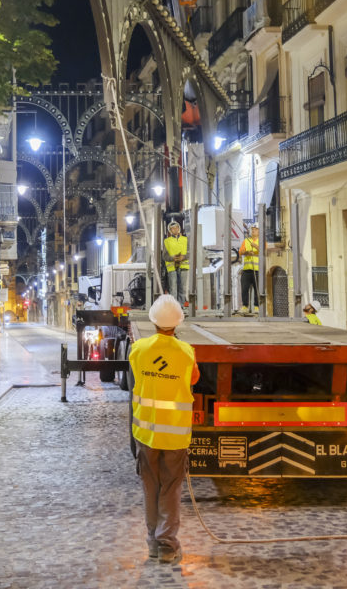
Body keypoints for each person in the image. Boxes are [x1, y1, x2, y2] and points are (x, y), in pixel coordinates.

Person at [129, 294, 199, 564]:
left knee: (151, 488)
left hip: (146, 434)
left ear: (153, 320)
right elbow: (193, 378)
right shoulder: (187, 352)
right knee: (170, 489)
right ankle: (168, 546)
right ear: (178, 322)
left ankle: (152, 543)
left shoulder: (139, 349)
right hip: (176, 436)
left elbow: (136, 371)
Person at [162, 220, 190, 305]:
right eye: (172, 228)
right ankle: (174, 306)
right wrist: (172, 258)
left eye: (176, 227)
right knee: (173, 288)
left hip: (183, 266)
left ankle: (180, 306)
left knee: (183, 288)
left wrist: (183, 257)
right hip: (172, 267)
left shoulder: (185, 239)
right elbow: (164, 256)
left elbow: (190, 252)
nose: (175, 229)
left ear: (179, 228)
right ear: (170, 231)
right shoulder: (167, 241)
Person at [238, 224, 260, 314]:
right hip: (247, 269)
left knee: (257, 289)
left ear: (259, 231)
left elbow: (264, 250)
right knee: (244, 288)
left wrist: (255, 246)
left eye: (255, 229)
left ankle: (257, 307)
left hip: (258, 270)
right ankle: (245, 306)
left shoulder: (261, 241)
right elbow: (240, 252)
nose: (253, 231)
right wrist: (246, 252)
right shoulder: (246, 241)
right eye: (252, 229)